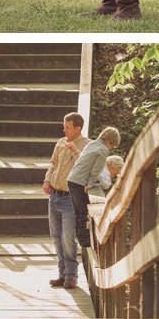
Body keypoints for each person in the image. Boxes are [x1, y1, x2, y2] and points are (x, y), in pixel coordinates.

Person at [42, 111, 90, 290]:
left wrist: (76, 151)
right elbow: (52, 164)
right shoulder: (61, 142)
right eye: (64, 126)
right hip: (54, 196)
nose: (64, 130)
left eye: (68, 127)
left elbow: (87, 167)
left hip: (71, 199)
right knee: (56, 237)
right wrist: (47, 179)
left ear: (78, 129)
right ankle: (62, 274)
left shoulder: (87, 146)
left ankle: (72, 276)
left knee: (68, 237)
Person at [67, 127, 120, 248]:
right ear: (109, 142)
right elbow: (97, 168)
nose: (111, 149)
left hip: (72, 179)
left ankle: (80, 237)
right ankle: (85, 241)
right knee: (83, 212)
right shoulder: (103, 149)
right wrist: (90, 182)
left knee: (77, 211)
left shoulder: (92, 144)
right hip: (80, 181)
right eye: (113, 147)